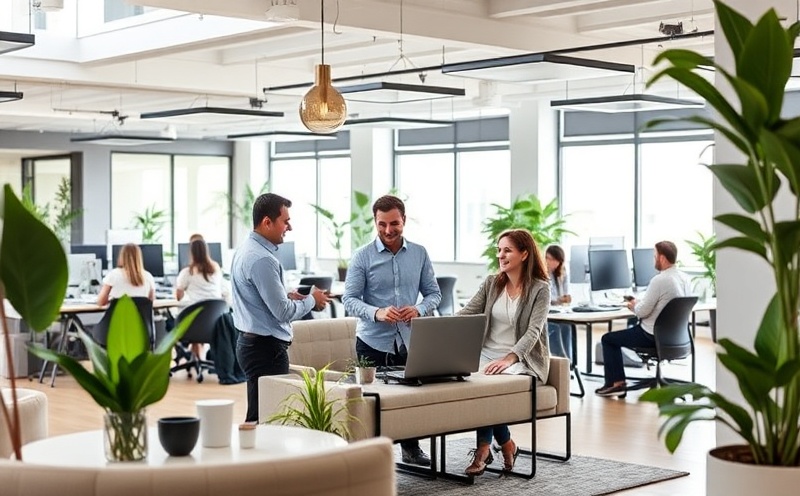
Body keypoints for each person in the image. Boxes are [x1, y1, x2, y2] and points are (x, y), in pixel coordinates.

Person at [342, 194, 441, 467]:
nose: (388, 230)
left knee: (410, 399)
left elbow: (434, 294)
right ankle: (367, 456)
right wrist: (377, 312)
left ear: (404, 220)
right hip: (372, 342)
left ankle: (411, 449)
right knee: (371, 403)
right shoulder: (362, 257)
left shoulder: (419, 253)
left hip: (410, 341)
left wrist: (419, 309)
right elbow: (349, 299)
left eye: (394, 223)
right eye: (382, 224)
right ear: (375, 221)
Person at [457, 229, 551, 476]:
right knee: (477, 386)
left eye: (507, 250)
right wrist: (435, 325)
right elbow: (467, 313)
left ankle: (483, 450)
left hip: (520, 358)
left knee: (487, 389)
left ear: (524, 253)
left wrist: (509, 358)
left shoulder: (540, 289)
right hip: (485, 355)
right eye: (499, 250)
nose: (501, 255)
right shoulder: (491, 283)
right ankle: (507, 444)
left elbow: (533, 332)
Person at [231, 192, 331, 422]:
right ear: (267, 222)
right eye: (285, 221)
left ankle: (253, 456)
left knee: (258, 416)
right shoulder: (262, 259)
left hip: (252, 344)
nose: (290, 227)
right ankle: (258, 457)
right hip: (266, 350)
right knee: (270, 419)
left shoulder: (246, 250)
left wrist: (286, 295)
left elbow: (253, 295)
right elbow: (283, 312)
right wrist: (311, 300)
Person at [595, 240, 692, 398]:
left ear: (661, 258)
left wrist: (633, 305)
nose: (653, 260)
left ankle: (616, 384)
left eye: (654, 256)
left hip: (652, 337)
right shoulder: (684, 278)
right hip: (677, 338)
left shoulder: (660, 280)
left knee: (608, 339)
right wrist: (641, 304)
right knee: (631, 326)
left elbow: (641, 312)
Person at [175, 238, 229, 358]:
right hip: (214, 323)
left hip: (193, 323)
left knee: (190, 317)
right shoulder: (216, 269)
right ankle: (198, 357)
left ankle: (196, 358)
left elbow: (179, 297)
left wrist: (181, 288)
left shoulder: (187, 272)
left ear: (191, 253)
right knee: (198, 317)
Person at [545, 245, 573, 360]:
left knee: (566, 325)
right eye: (547, 258)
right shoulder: (541, 273)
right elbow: (545, 297)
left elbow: (565, 293)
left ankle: (568, 362)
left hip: (558, 311)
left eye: (552, 259)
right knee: (554, 326)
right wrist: (557, 300)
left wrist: (566, 298)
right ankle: (561, 362)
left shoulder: (562, 273)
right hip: (546, 313)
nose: (549, 262)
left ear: (559, 261)